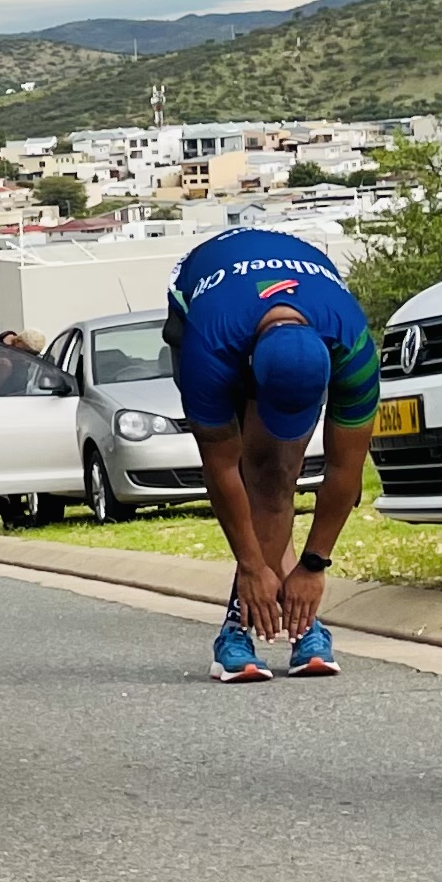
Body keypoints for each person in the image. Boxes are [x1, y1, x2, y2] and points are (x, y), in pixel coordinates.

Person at [164, 228, 382, 682]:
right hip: (202, 297)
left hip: (300, 291)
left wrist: (315, 564)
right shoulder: (210, 350)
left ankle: (291, 621)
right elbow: (220, 467)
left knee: (274, 474)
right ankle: (239, 626)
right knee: (254, 469)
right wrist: (250, 565)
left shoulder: (354, 346)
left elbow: (346, 468)